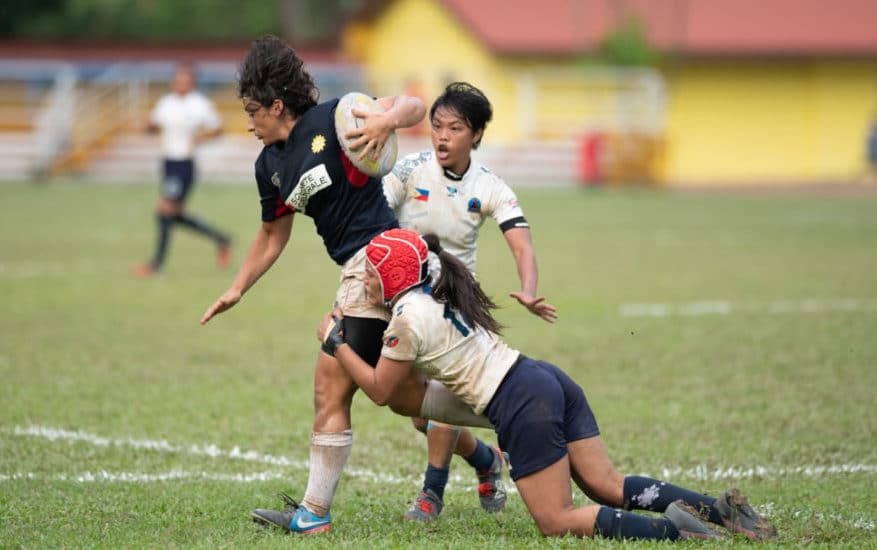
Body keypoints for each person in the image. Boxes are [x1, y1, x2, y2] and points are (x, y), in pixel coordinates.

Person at [200, 35, 490, 535]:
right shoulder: (268, 166)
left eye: (253, 111)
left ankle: (313, 514)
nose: (248, 123)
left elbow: (415, 104)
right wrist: (238, 287)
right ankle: (493, 441)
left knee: (330, 387)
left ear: (276, 104)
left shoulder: (336, 118)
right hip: (373, 270)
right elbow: (273, 234)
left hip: (378, 261)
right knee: (407, 400)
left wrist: (387, 119)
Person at [316, 227, 779, 541]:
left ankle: (677, 533)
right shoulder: (436, 289)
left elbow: (379, 390)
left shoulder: (404, 321)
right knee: (605, 483)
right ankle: (721, 511)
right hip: (544, 377)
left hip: (520, 401)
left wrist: (337, 341)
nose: (365, 284)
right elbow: (407, 395)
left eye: (370, 276)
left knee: (555, 520)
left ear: (391, 277)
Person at [382, 82, 558, 521]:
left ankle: (431, 492)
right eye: (437, 126)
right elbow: (375, 215)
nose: (441, 136)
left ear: (476, 135)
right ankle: (484, 460)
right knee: (419, 412)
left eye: (454, 128)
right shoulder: (409, 169)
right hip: (405, 299)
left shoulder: (489, 185)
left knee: (446, 389)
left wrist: (529, 287)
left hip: (456, 300)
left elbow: (521, 244)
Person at [132, 62, 233, 277]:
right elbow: (153, 126)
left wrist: (199, 138)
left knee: (164, 210)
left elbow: (218, 129)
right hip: (168, 162)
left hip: (184, 164)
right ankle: (222, 239)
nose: (179, 84)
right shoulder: (166, 103)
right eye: (177, 80)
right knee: (173, 215)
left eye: (184, 80)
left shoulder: (199, 104)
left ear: (192, 82)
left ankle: (157, 265)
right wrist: (148, 126)